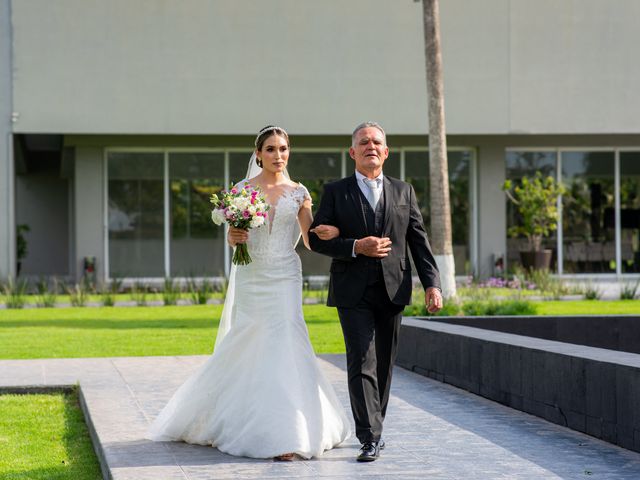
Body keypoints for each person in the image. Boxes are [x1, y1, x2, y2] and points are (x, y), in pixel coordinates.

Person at [146, 125, 350, 460]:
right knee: (249, 340)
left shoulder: (299, 193)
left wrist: (335, 231)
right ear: (258, 153)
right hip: (252, 273)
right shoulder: (242, 191)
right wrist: (232, 238)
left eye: (283, 149)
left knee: (285, 339)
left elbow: (311, 239)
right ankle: (233, 419)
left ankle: (290, 433)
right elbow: (232, 232)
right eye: (270, 149)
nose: (277, 155)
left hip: (285, 273)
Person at [309, 121, 443, 462]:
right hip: (353, 292)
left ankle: (375, 426)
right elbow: (315, 239)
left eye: (376, 142)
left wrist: (433, 284)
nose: (370, 146)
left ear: (385, 152)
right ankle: (368, 436)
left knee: (384, 363)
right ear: (352, 153)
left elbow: (419, 242)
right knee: (361, 361)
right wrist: (356, 245)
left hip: (393, 289)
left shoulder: (404, 191)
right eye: (363, 142)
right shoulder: (335, 192)